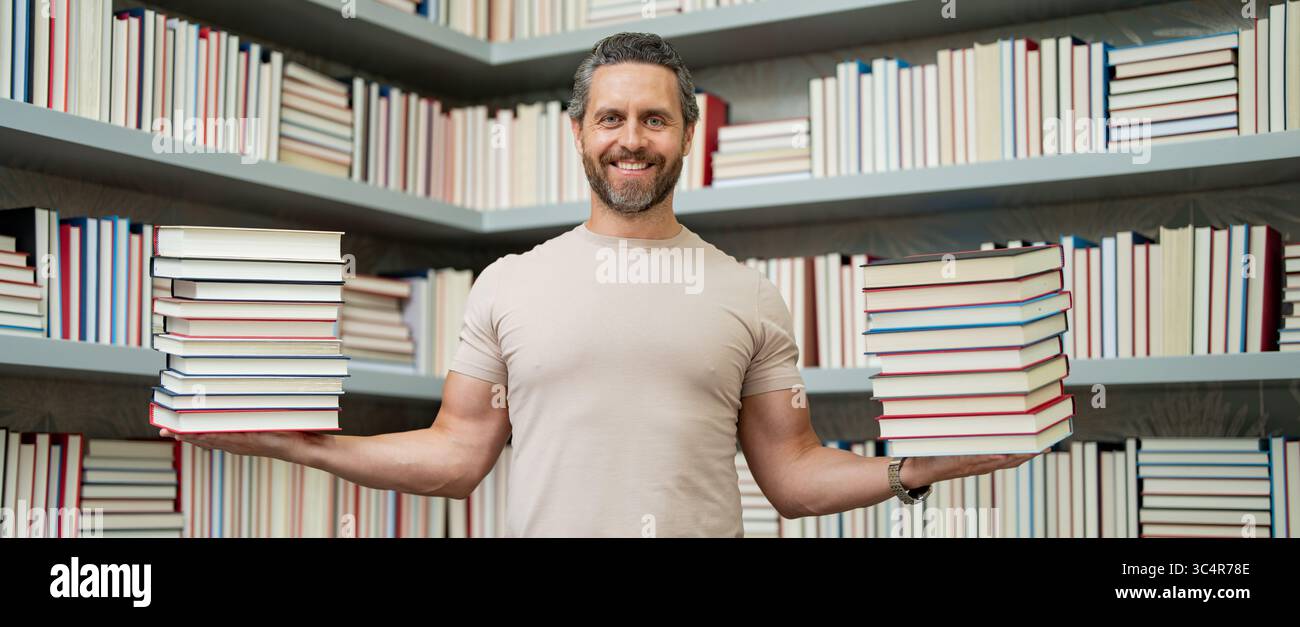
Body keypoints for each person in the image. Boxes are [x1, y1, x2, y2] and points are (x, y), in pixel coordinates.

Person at [162, 32, 1040, 537]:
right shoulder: (507, 285)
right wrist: (308, 444)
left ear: (687, 135)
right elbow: (458, 454)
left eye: (655, 118)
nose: (632, 138)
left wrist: (917, 469)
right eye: (611, 117)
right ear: (577, 132)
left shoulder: (749, 294)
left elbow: (793, 475)